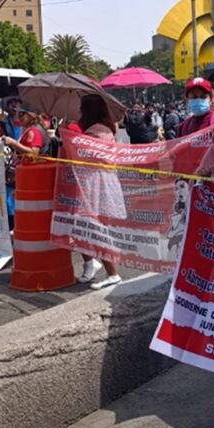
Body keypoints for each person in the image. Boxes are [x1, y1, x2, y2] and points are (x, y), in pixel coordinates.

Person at [75, 94, 125, 290]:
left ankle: (112, 273)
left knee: (95, 228)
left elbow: (93, 156)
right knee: (82, 226)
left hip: (96, 183)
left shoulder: (97, 131)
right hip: (95, 181)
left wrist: (75, 142)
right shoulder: (103, 128)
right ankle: (91, 264)